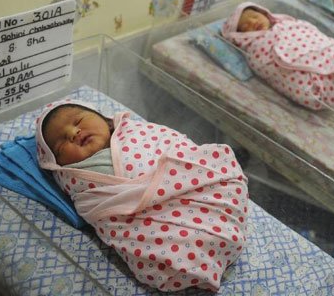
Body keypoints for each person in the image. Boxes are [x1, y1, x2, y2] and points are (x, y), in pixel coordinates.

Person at [36, 100, 248, 292]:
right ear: (58, 164)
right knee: (170, 252)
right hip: (151, 229)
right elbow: (94, 207)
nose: (74, 132)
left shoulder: (138, 133)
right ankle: (194, 256)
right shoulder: (77, 178)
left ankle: (217, 233)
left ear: (105, 120)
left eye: (78, 120)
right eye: (61, 143)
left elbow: (176, 144)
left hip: (197, 188)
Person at [222, 2, 334, 110]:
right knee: (302, 75)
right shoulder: (256, 47)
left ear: (265, 14)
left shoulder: (288, 24)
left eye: (254, 16)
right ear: (240, 37)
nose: (253, 23)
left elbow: (312, 34)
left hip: (317, 50)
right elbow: (262, 65)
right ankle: (325, 86)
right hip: (301, 72)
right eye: (245, 27)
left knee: (329, 50)